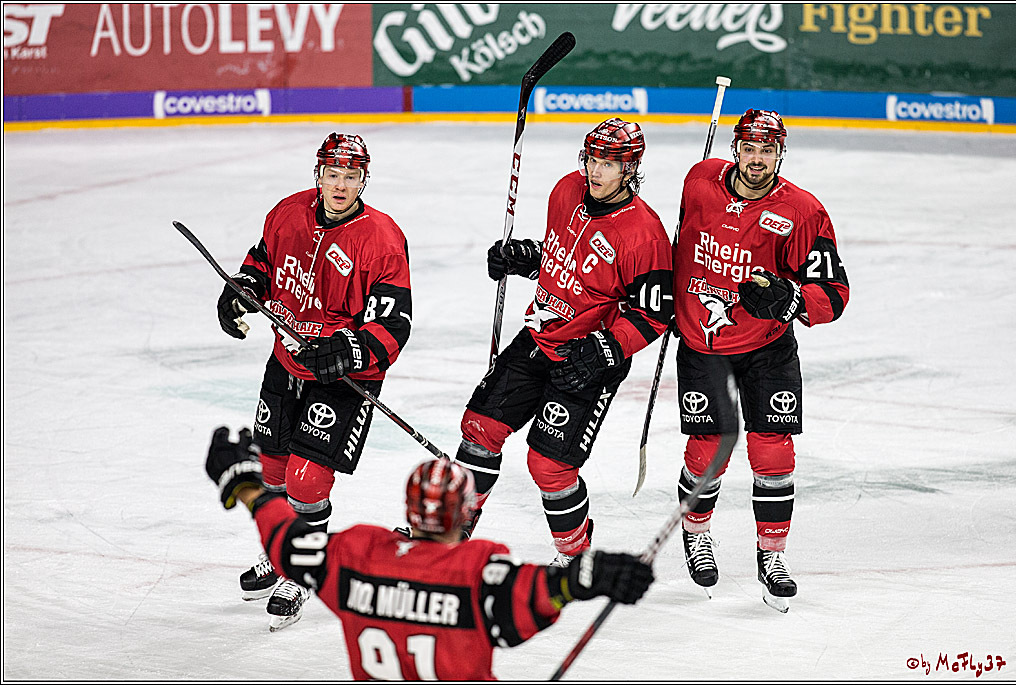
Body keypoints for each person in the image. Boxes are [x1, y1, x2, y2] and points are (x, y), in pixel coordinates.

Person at [205, 427, 655, 680]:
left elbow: (287, 542)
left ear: (410, 509)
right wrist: (590, 577)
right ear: (464, 515)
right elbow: (545, 592)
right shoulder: (477, 570)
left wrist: (247, 487)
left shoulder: (354, 554)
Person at [454, 118, 674, 565]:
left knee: (549, 465)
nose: (595, 170)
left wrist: (605, 350)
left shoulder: (644, 233)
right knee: (480, 428)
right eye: (592, 158)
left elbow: (654, 314)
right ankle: (453, 528)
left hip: (588, 359)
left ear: (630, 168)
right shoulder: (566, 190)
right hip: (540, 332)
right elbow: (564, 255)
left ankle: (574, 553)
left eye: (609, 163)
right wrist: (524, 257)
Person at [215, 132, 412, 629]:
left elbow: (395, 325)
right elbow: (261, 263)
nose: (341, 184)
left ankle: (301, 571)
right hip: (286, 361)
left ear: (364, 180)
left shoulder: (382, 239)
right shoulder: (286, 213)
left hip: (345, 379)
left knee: (307, 479)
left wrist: (349, 350)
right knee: (273, 467)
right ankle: (283, 552)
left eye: (351, 176)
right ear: (318, 173)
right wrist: (242, 291)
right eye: (333, 174)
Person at [671, 109, 850, 612]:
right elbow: (678, 243)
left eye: (767, 151)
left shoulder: (803, 211)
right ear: (736, 148)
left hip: (769, 347)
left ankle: (771, 554)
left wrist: (791, 299)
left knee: (773, 450)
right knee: (709, 446)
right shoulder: (700, 181)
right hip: (706, 344)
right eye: (750, 149)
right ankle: (697, 532)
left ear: (780, 153)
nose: (757, 160)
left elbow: (834, 293)